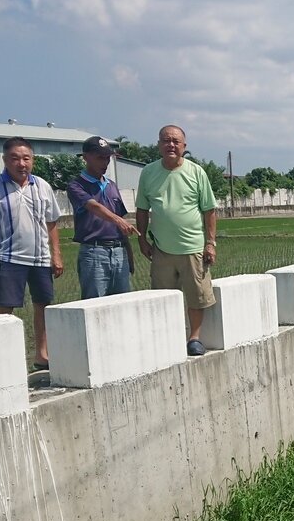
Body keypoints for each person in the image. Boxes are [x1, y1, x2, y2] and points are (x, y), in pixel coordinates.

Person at [0, 136, 63, 370]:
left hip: (40, 258)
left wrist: (56, 255)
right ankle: (5, 360)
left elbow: (51, 222)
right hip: (8, 257)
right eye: (15, 158)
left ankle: (41, 355)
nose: (21, 163)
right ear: (5, 160)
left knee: (43, 306)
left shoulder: (42, 186)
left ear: (33, 160)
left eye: (26, 158)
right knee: (6, 309)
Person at [135, 125, 218, 356]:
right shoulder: (149, 172)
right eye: (166, 141)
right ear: (159, 144)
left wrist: (210, 243)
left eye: (175, 141)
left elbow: (209, 210)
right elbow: (142, 209)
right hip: (162, 249)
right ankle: (169, 337)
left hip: (192, 247)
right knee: (163, 296)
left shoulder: (196, 172)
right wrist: (142, 240)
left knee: (197, 296)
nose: (170, 145)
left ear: (184, 146)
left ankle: (194, 338)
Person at [68, 136, 136, 298]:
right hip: (94, 251)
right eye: (100, 158)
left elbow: (121, 223)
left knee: (122, 303)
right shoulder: (76, 185)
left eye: (107, 158)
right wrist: (118, 220)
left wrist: (130, 256)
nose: (105, 163)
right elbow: (94, 206)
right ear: (85, 157)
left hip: (119, 250)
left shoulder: (111, 185)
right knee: (95, 304)